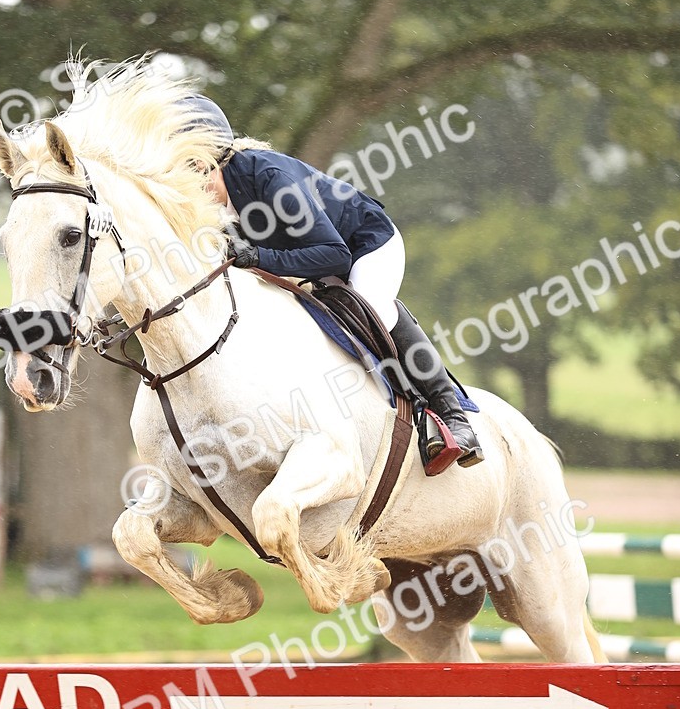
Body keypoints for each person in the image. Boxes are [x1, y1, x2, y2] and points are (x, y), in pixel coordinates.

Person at [182, 95, 483, 473]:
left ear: (203, 164)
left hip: (365, 246)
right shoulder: (219, 206)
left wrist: (260, 259)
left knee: (367, 303)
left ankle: (453, 416)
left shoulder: (269, 179)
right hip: (317, 259)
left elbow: (336, 256)